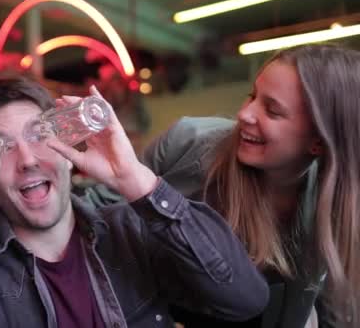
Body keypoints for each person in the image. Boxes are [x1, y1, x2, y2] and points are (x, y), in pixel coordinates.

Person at [0, 77, 268, 327]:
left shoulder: (130, 230)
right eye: (3, 147)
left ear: (68, 148)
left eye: (39, 135)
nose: (28, 159)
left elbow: (245, 299)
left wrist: (135, 178)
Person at [138, 44, 359, 327]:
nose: (244, 114)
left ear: (318, 141)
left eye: (272, 110)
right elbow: (102, 215)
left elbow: (334, 313)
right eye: (252, 96)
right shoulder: (187, 142)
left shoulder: (334, 213)